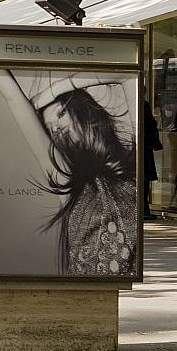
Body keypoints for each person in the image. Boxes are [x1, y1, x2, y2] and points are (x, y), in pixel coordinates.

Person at [22, 71, 138, 276]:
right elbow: (15, 102)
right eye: (51, 129)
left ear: (82, 109)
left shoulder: (131, 164)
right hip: (86, 293)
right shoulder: (67, 179)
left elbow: (128, 77)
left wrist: (57, 89)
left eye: (60, 113)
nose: (58, 128)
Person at [142, 100, 163, 221]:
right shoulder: (143, 104)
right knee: (143, 182)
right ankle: (143, 210)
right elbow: (151, 125)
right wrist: (155, 143)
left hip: (130, 149)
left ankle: (142, 209)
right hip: (143, 149)